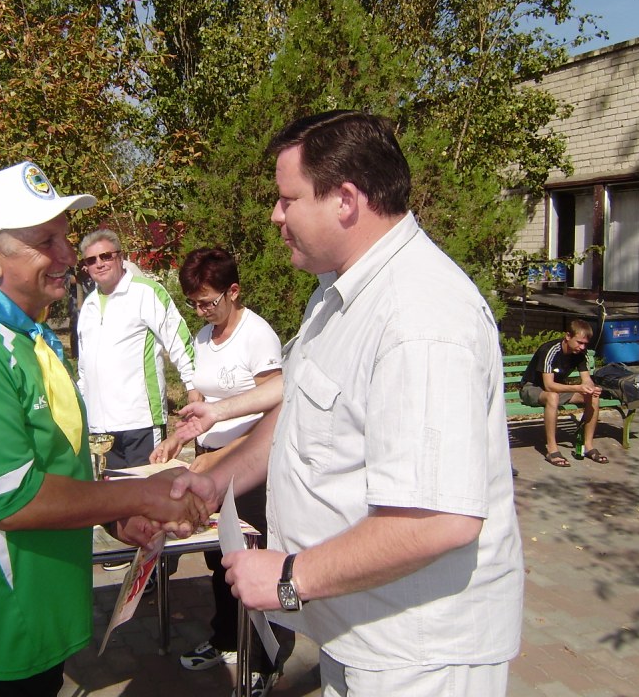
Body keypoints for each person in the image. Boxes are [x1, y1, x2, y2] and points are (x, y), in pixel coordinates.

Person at [168, 111, 524, 696]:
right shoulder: (338, 295)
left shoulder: (420, 318)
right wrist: (215, 482)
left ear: (346, 201)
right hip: (360, 634)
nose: (275, 215)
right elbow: (297, 415)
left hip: (417, 656)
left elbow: (439, 519)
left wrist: (290, 576)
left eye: (288, 199)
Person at [0, 160, 208, 696]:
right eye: (46, 242)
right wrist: (142, 495)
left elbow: (55, 465)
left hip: (28, 627)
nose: (67, 256)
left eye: (64, 237)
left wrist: (113, 515)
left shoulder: (29, 337)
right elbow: (12, 499)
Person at [150, 247, 288, 696]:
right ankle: (226, 637)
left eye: (208, 301)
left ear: (233, 291)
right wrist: (179, 438)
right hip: (210, 459)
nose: (201, 311)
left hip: (250, 469)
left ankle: (264, 660)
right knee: (219, 559)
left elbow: (274, 410)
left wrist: (224, 456)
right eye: (193, 303)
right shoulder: (204, 336)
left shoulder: (257, 336)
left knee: (253, 561)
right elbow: (201, 401)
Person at [76, 228, 199, 468]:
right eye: (91, 260)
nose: (99, 263)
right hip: (99, 428)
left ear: (120, 257)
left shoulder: (147, 292)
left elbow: (178, 340)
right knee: (111, 491)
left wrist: (193, 385)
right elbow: (84, 366)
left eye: (106, 256)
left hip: (140, 421)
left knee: (148, 488)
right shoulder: (88, 306)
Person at [519, 318, 606, 466]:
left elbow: (586, 379)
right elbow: (549, 386)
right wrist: (577, 388)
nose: (582, 347)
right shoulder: (550, 350)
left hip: (557, 389)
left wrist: (591, 388)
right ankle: (552, 449)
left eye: (585, 344)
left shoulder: (580, 353)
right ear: (568, 336)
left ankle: (588, 445)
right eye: (579, 342)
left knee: (593, 397)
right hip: (531, 388)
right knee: (552, 397)